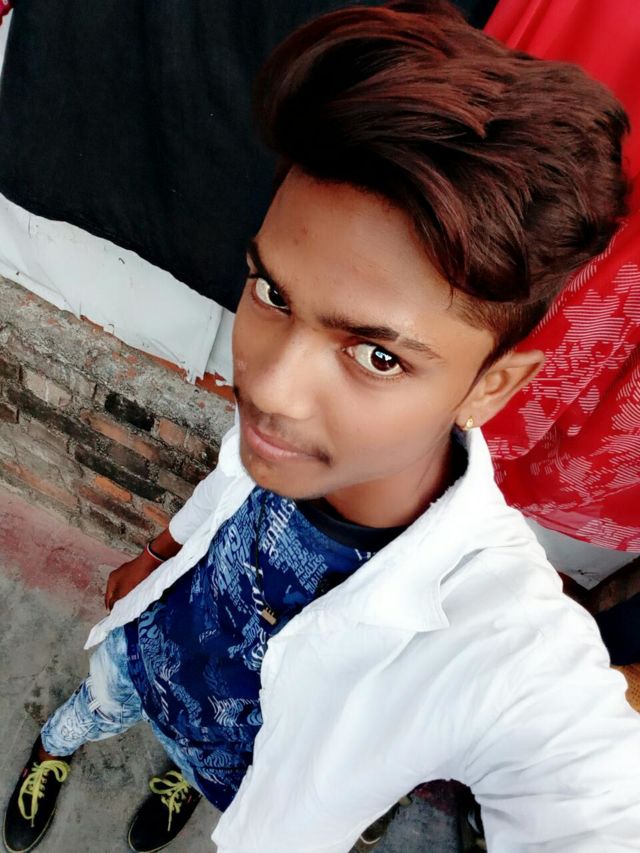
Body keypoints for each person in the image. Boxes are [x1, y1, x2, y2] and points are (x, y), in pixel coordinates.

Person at [4, 2, 640, 852]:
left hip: (236, 760)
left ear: (490, 387)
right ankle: (56, 745)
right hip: (148, 649)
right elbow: (229, 481)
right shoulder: (298, 438)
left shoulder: (498, 640)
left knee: (191, 763)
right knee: (94, 705)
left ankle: (176, 774)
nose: (271, 387)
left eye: (376, 355)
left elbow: (590, 792)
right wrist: (159, 552)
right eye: (272, 292)